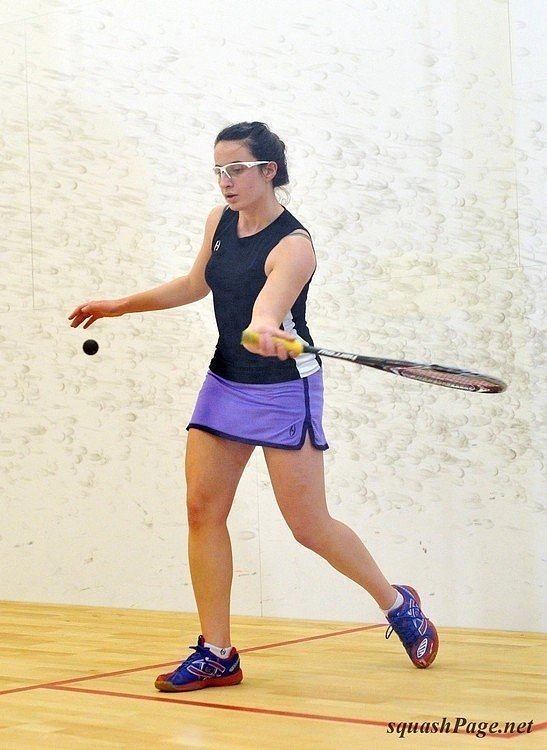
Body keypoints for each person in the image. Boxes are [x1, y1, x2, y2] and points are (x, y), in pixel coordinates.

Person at [69, 121, 438, 692]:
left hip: (285, 389)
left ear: (269, 170)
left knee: (308, 526)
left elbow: (266, 312)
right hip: (226, 381)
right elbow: (196, 284)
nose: (226, 181)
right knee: (202, 510)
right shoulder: (219, 221)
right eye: (219, 170)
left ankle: (395, 601)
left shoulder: (294, 246)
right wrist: (122, 305)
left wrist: (265, 328)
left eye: (237, 169)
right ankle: (217, 652)